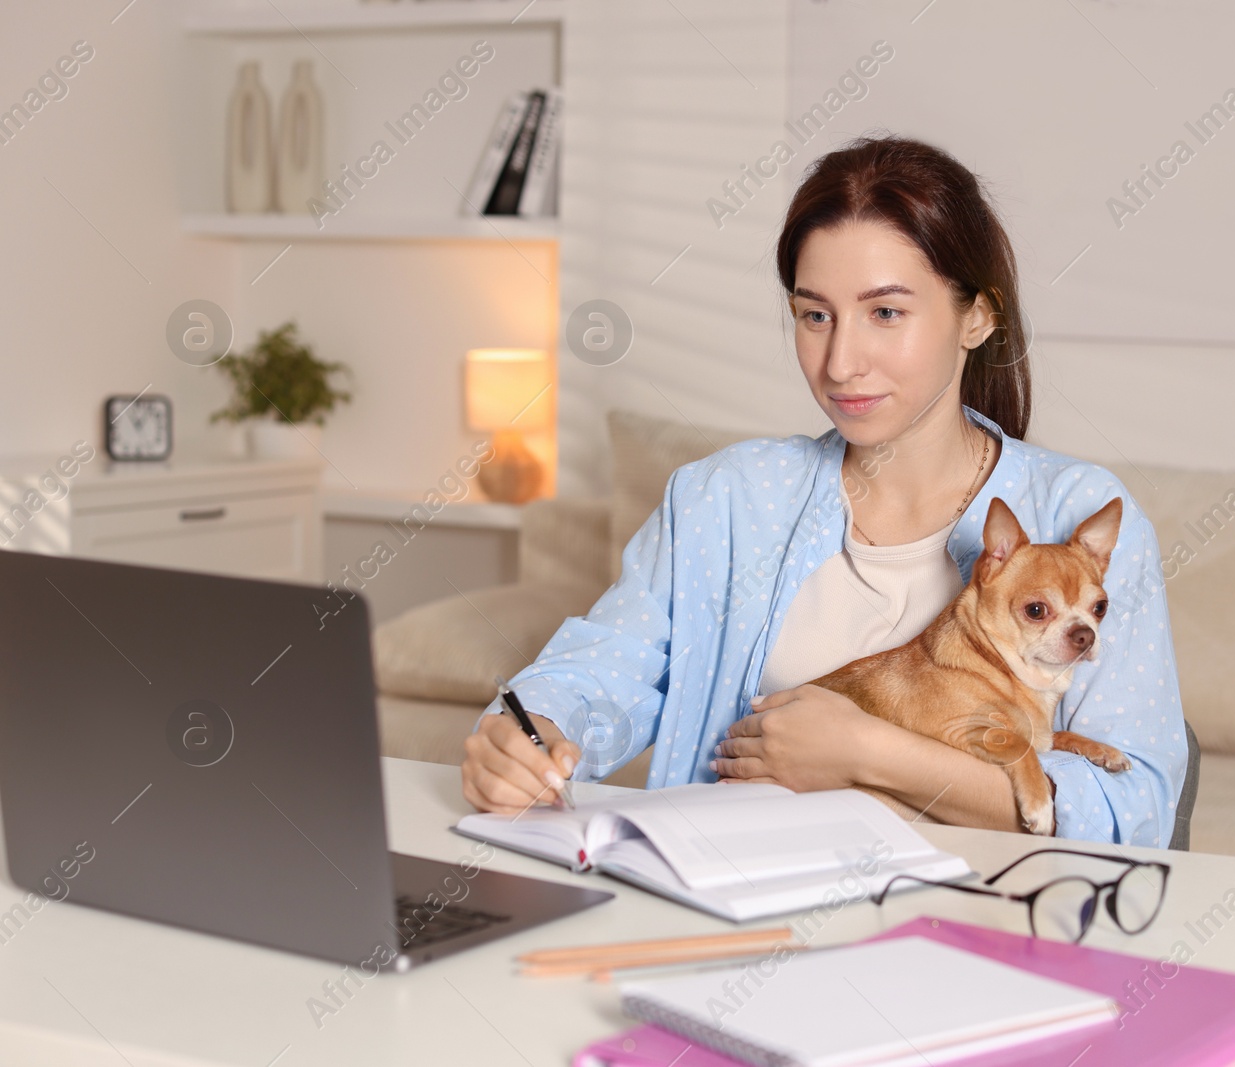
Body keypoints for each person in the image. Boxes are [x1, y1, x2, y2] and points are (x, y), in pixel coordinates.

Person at [461, 134, 1188, 845]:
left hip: (983, 926)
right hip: (734, 906)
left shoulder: (1074, 520)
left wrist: (865, 751)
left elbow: (1136, 806)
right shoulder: (727, 500)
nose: (841, 361)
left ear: (977, 316)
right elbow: (598, 671)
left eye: (886, 313)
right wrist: (529, 735)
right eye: (815, 315)